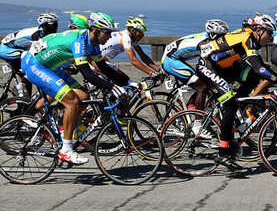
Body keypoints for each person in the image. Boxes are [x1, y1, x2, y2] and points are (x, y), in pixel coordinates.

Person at [20, 12, 134, 165]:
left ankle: (61, 124)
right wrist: (113, 87)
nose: (109, 36)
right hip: (35, 65)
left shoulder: (93, 44)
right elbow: (86, 73)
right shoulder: (79, 40)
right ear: (95, 30)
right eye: (107, 32)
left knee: (83, 95)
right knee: (72, 101)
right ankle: (66, 150)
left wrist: (128, 82)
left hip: (51, 66)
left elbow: (103, 68)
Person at [196, 14, 277, 169]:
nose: (271, 37)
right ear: (259, 31)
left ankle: (235, 110)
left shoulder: (250, 38)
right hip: (208, 66)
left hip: (224, 67)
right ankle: (223, 153)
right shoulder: (248, 40)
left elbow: (257, 68)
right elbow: (260, 68)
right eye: (269, 33)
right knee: (230, 105)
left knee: (251, 77)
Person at [161, 19, 229, 112]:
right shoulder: (203, 43)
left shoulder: (207, 37)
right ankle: (198, 122)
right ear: (213, 35)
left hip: (179, 58)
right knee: (202, 86)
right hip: (170, 61)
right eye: (221, 36)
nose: (223, 39)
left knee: (206, 80)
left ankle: (191, 105)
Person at [0, 13, 59, 97]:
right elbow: (37, 53)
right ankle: (19, 86)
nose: (56, 27)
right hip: (6, 49)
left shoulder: (44, 32)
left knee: (29, 79)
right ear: (44, 25)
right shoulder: (37, 34)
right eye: (53, 25)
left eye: (56, 24)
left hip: (16, 48)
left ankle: (25, 104)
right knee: (31, 60)